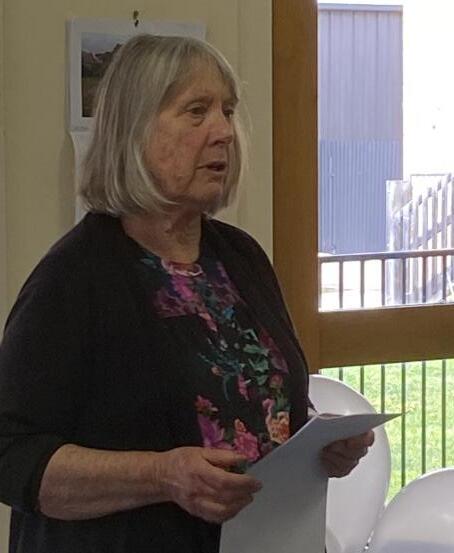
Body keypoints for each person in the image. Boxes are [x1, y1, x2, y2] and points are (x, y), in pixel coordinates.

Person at [0, 35, 374, 553]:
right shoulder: (74, 277)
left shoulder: (240, 257)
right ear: (134, 130)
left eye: (228, 111)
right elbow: (12, 454)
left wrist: (314, 441)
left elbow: (255, 406)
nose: (224, 132)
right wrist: (162, 475)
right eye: (197, 112)